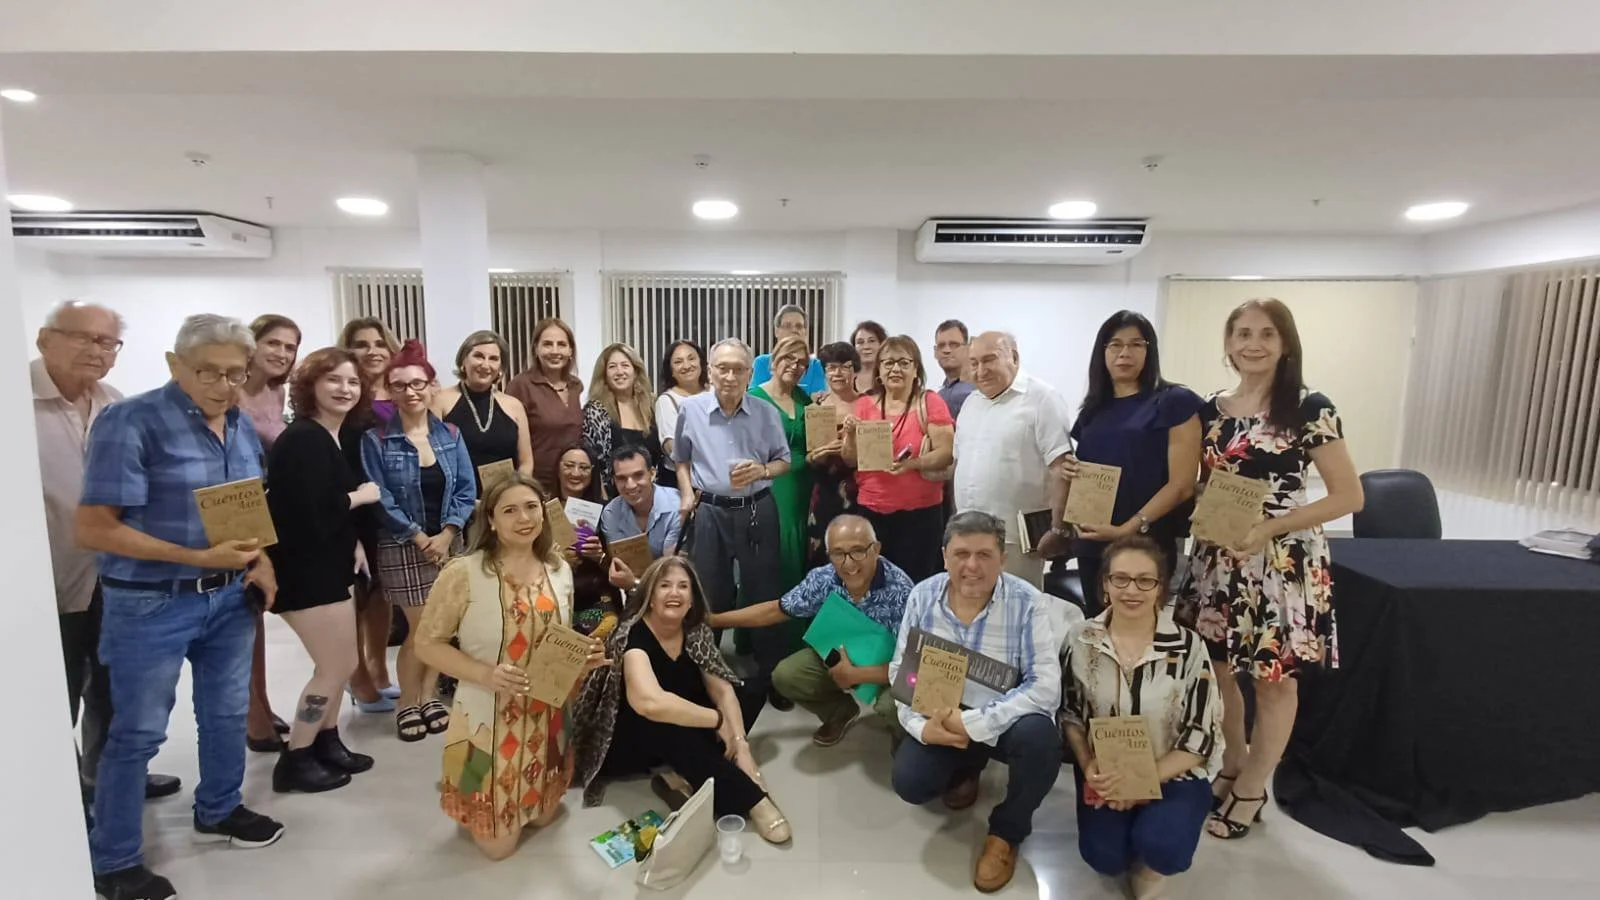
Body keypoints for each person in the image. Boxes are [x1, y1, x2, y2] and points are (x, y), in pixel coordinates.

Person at [77, 314, 286, 900]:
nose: (224, 385)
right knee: (138, 734)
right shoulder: (131, 421)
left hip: (227, 602)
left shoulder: (240, 425)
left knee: (223, 715)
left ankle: (219, 807)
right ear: (175, 365)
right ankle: (114, 860)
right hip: (150, 604)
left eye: (235, 374)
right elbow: (95, 527)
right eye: (209, 372)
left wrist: (258, 560)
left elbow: (245, 510)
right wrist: (196, 557)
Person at [1175, 298, 1363, 841]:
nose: (1252, 343)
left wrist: (1268, 528)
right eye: (1242, 333)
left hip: (1282, 562)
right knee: (1218, 671)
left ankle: (1256, 785)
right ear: (1228, 342)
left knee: (1274, 680)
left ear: (1285, 344)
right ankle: (1233, 763)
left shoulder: (1309, 406)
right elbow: (1202, 484)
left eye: (1266, 334)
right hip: (1218, 560)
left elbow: (1350, 496)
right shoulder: (1213, 408)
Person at [34, 301, 181, 816]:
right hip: (47, 578)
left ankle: (108, 779)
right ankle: (63, 803)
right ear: (44, 338)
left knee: (113, 687)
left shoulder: (115, 404)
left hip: (116, 577)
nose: (95, 351)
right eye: (82, 337)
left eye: (106, 342)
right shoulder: (17, 403)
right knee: (56, 695)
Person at [413, 473, 607, 860]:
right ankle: (478, 792)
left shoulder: (559, 569)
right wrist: (486, 674)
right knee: (498, 848)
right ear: (491, 520)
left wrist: (581, 660)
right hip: (486, 718)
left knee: (545, 817)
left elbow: (558, 641)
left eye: (532, 507)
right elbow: (426, 645)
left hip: (547, 715)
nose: (524, 518)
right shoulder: (464, 572)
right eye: (510, 510)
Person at [888, 511, 1062, 894]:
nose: (971, 566)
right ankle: (968, 764)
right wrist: (922, 727)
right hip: (944, 713)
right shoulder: (923, 596)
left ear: (1003, 558)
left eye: (984, 555)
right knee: (910, 783)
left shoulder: (1027, 603)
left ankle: (1007, 832)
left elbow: (1045, 686)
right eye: (961, 553)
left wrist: (977, 724)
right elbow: (902, 671)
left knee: (1042, 739)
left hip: (1002, 717)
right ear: (945, 555)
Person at [572, 557, 792, 843]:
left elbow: (721, 688)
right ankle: (753, 799)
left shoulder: (694, 629)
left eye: (682, 586)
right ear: (650, 597)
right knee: (668, 725)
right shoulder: (632, 636)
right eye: (664, 586)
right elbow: (649, 703)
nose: (674, 593)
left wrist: (741, 745)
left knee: (750, 691)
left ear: (692, 599)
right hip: (634, 737)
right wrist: (718, 720)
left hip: (683, 718)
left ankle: (687, 774)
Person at [1062, 536, 1224, 898]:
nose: (1131, 590)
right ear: (1104, 584)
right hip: (1106, 772)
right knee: (1103, 857)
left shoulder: (1188, 646)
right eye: (1120, 579)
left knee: (1164, 849)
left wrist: (1140, 781)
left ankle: (1154, 853)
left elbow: (1201, 737)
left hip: (1175, 770)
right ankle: (1131, 831)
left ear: (1160, 587)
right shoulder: (1079, 639)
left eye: (1144, 580)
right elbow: (1070, 714)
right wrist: (1090, 767)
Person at [263, 348, 382, 794]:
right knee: (336, 666)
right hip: (306, 573)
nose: (344, 389)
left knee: (335, 661)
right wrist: (361, 498)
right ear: (309, 385)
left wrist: (352, 541)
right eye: (333, 379)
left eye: (352, 382)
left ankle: (327, 742)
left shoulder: (330, 435)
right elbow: (307, 512)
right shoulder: (303, 438)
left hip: (331, 564)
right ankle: (296, 755)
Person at [361, 340, 478, 742]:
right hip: (402, 545)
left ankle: (429, 696)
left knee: (442, 628)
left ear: (432, 386)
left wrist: (447, 533)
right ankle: (407, 702)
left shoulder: (451, 434)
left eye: (417, 383)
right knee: (421, 630)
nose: (410, 392)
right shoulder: (376, 440)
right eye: (400, 385)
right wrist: (417, 535)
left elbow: (466, 488)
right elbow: (380, 496)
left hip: (449, 544)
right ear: (389, 392)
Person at [710, 516, 912, 747]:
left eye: (858, 551)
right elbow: (775, 610)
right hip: (839, 658)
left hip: (890, 668)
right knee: (786, 675)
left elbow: (914, 667)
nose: (848, 563)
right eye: (838, 553)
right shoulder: (824, 578)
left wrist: (857, 676)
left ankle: (907, 740)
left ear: (876, 549)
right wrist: (713, 620)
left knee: (893, 706)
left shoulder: (902, 592)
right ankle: (839, 712)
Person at [673, 338, 793, 708]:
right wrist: (685, 493)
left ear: (749, 374)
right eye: (722, 368)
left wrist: (762, 469)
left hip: (758, 507)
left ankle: (770, 675)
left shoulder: (765, 412)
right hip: (710, 511)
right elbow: (681, 459)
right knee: (710, 591)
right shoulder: (690, 410)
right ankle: (707, 672)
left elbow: (784, 461)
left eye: (738, 369)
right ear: (710, 372)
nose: (729, 376)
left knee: (764, 590)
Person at [1063, 311, 1202, 613]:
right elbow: (1090, 468)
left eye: (1135, 344)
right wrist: (1069, 471)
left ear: (1149, 350)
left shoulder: (1173, 401)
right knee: (1099, 632)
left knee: (1143, 636)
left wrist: (1129, 527)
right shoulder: (1093, 408)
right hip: (1093, 543)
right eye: (1115, 345)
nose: (1124, 353)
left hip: (1146, 543)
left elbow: (1182, 486)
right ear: (1102, 352)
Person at [952, 331, 1074, 588]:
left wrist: (1059, 528)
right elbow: (960, 466)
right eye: (974, 363)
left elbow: (1061, 467)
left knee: (1018, 614)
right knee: (974, 610)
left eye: (989, 360)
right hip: (968, 534)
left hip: (1016, 540)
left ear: (1014, 357)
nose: (980, 370)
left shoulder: (1042, 399)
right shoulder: (971, 404)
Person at [843, 335, 954, 582]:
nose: (895, 369)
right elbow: (851, 461)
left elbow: (946, 453)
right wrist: (850, 436)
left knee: (915, 584)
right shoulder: (864, 405)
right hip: (871, 511)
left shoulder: (930, 402)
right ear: (879, 371)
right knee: (871, 584)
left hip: (921, 515)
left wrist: (911, 464)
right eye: (888, 363)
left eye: (904, 362)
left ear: (916, 369)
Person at [238, 314, 300, 754]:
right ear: (252, 342)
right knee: (242, 618)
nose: (281, 353)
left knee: (256, 613)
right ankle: (252, 716)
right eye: (273, 343)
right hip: (240, 513)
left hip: (271, 510)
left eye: (290, 347)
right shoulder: (232, 392)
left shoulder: (277, 393)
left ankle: (260, 703)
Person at [339, 316, 403, 709]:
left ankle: (379, 667)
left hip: (389, 503)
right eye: (362, 344)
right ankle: (356, 675)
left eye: (379, 343)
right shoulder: (347, 393)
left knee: (382, 591)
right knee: (354, 593)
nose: (372, 350)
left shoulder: (399, 391)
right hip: (354, 500)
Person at [749, 335, 816, 595]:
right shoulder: (754, 398)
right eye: (789, 357)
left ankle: (794, 624)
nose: (795, 365)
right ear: (774, 360)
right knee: (776, 551)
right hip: (771, 484)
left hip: (804, 486)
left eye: (801, 362)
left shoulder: (805, 399)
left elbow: (814, 441)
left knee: (798, 550)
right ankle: (766, 629)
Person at [432, 330, 535, 492]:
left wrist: (514, 494)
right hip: (456, 503)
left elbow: (526, 462)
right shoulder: (440, 401)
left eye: (493, 359)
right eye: (478, 356)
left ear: (501, 367)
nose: (485, 364)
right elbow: (433, 459)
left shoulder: (514, 406)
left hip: (503, 503)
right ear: (463, 360)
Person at [505, 317, 584, 495]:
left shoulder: (575, 386)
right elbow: (508, 441)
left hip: (571, 484)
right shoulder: (520, 385)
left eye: (561, 344)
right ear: (536, 349)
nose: (555, 351)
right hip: (536, 485)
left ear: (570, 350)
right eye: (547, 344)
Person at [554, 445, 623, 639]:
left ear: (593, 472)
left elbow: (619, 568)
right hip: (553, 590)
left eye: (584, 468)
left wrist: (599, 557)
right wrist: (556, 559)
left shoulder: (607, 512)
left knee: (606, 625)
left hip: (593, 592)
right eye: (569, 465)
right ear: (557, 468)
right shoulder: (542, 508)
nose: (576, 473)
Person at [805, 341, 862, 565]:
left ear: (855, 369)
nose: (837, 373)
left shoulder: (867, 404)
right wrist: (815, 456)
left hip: (856, 491)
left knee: (854, 551)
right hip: (823, 490)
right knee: (820, 553)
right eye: (831, 367)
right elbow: (807, 455)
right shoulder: (816, 405)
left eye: (844, 366)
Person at [599, 445, 683, 590]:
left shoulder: (677, 506)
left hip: (673, 589)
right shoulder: (611, 513)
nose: (630, 485)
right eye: (622, 478)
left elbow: (672, 570)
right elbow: (623, 566)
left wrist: (634, 584)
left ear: (652, 473)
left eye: (638, 475)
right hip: (633, 592)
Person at [582, 342, 658, 496]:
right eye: (612, 367)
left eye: (625, 365)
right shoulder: (596, 410)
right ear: (604, 374)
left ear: (635, 371)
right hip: (614, 498)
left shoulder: (650, 406)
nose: (619, 371)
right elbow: (595, 465)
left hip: (650, 495)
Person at [653, 339, 707, 489]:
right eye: (678, 362)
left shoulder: (715, 393)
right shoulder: (667, 401)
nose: (687, 365)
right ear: (670, 370)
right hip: (680, 481)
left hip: (718, 479)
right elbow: (672, 448)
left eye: (691, 358)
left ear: (701, 362)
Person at [750, 303, 826, 394]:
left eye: (799, 326)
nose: (794, 330)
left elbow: (816, 401)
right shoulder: (762, 362)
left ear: (805, 332)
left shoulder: (815, 365)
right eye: (787, 326)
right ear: (776, 331)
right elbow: (755, 399)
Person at [933, 319, 976, 421]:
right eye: (941, 345)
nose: (946, 350)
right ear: (935, 352)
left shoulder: (979, 390)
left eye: (954, 345)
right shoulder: (938, 396)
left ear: (968, 349)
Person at [851, 319, 887, 395]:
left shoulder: (889, 376)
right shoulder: (847, 377)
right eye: (860, 342)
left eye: (872, 341)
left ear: (882, 344)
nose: (866, 347)